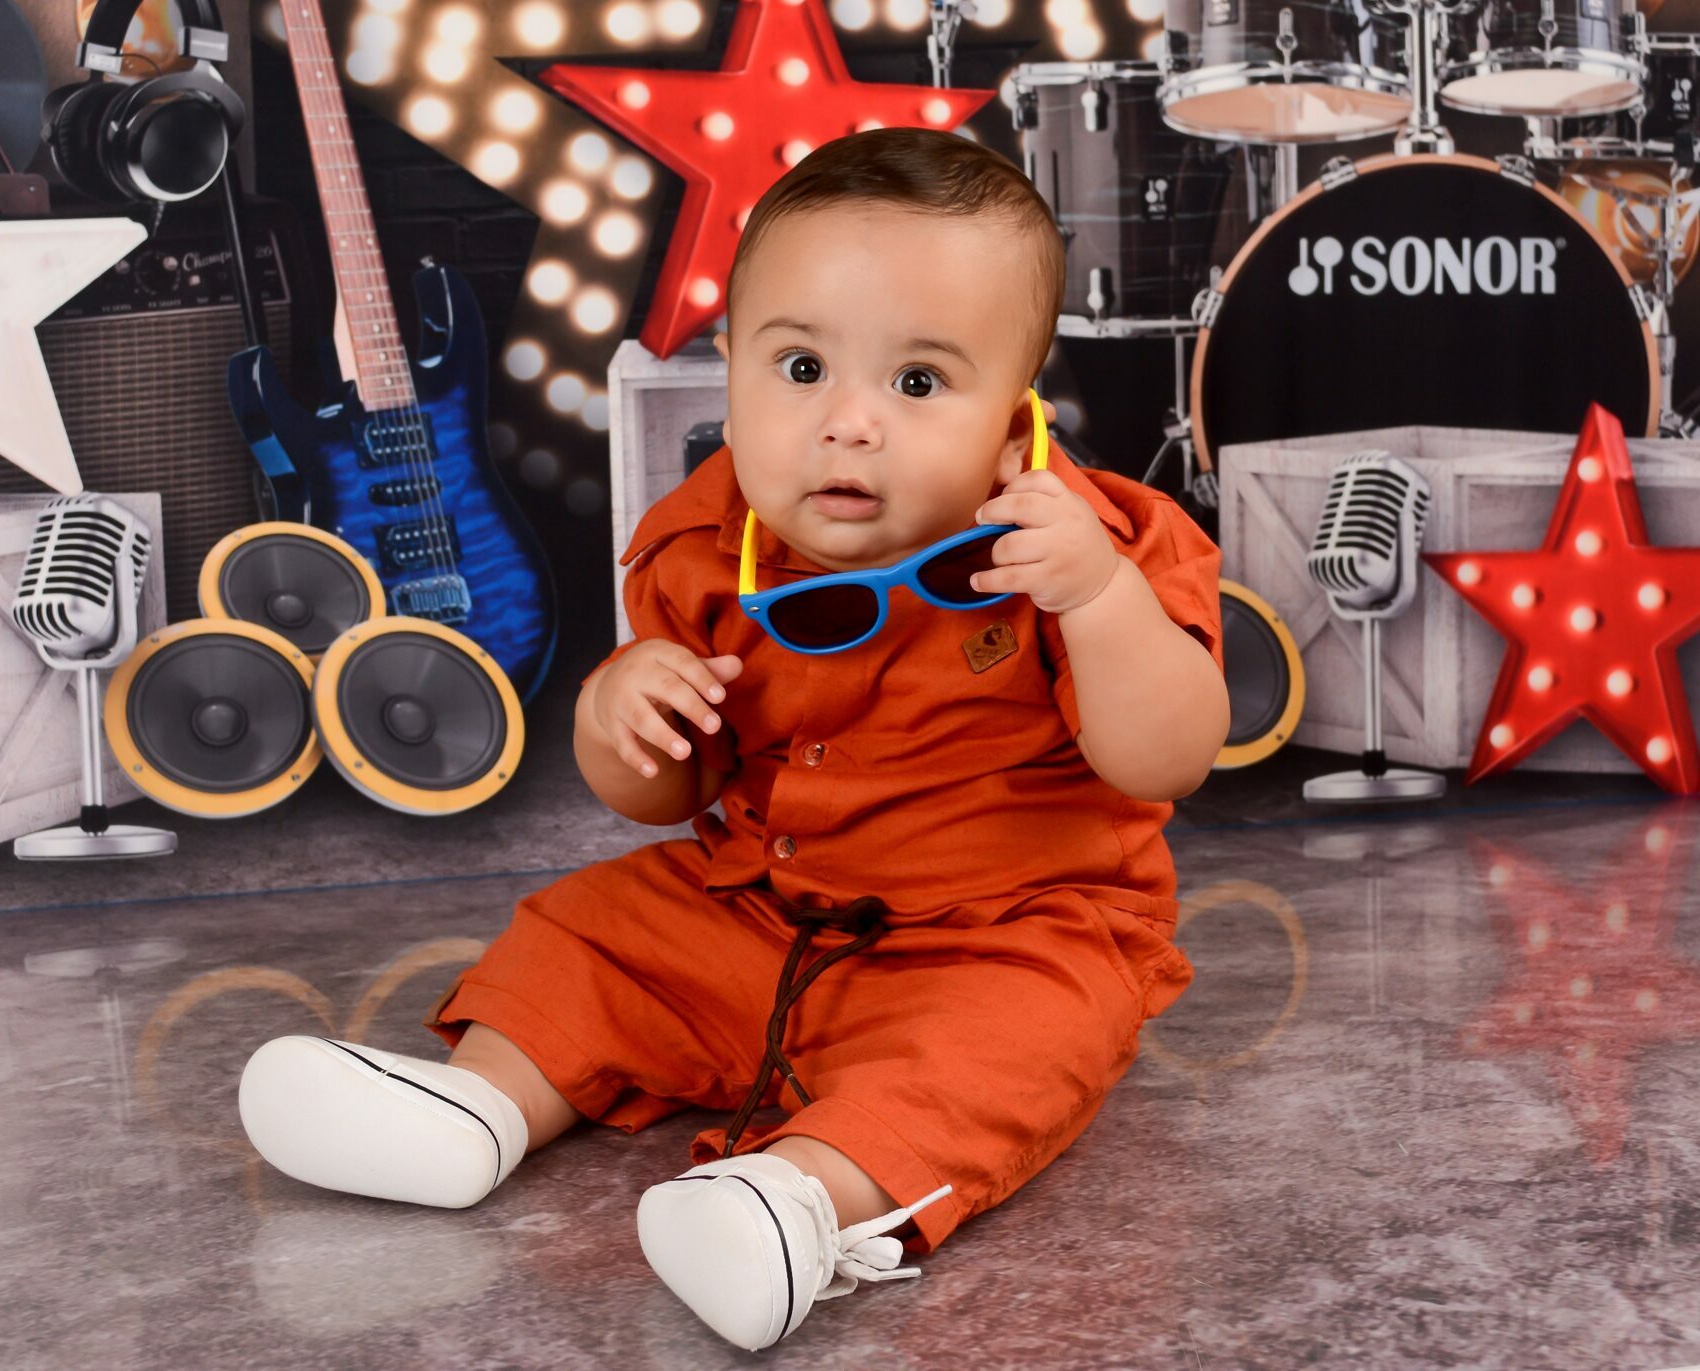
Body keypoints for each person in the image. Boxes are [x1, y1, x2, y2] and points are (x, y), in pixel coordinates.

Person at [237, 126, 1230, 1352]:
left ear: (1017, 416)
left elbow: (1167, 759)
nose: (849, 423)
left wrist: (1100, 600)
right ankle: (475, 1107)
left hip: (1010, 931)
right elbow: (670, 792)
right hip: (764, 911)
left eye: (920, 384)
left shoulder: (1089, 543)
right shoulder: (701, 545)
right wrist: (620, 714)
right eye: (802, 368)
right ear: (732, 371)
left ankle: (799, 1201)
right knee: (594, 928)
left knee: (1015, 1044)